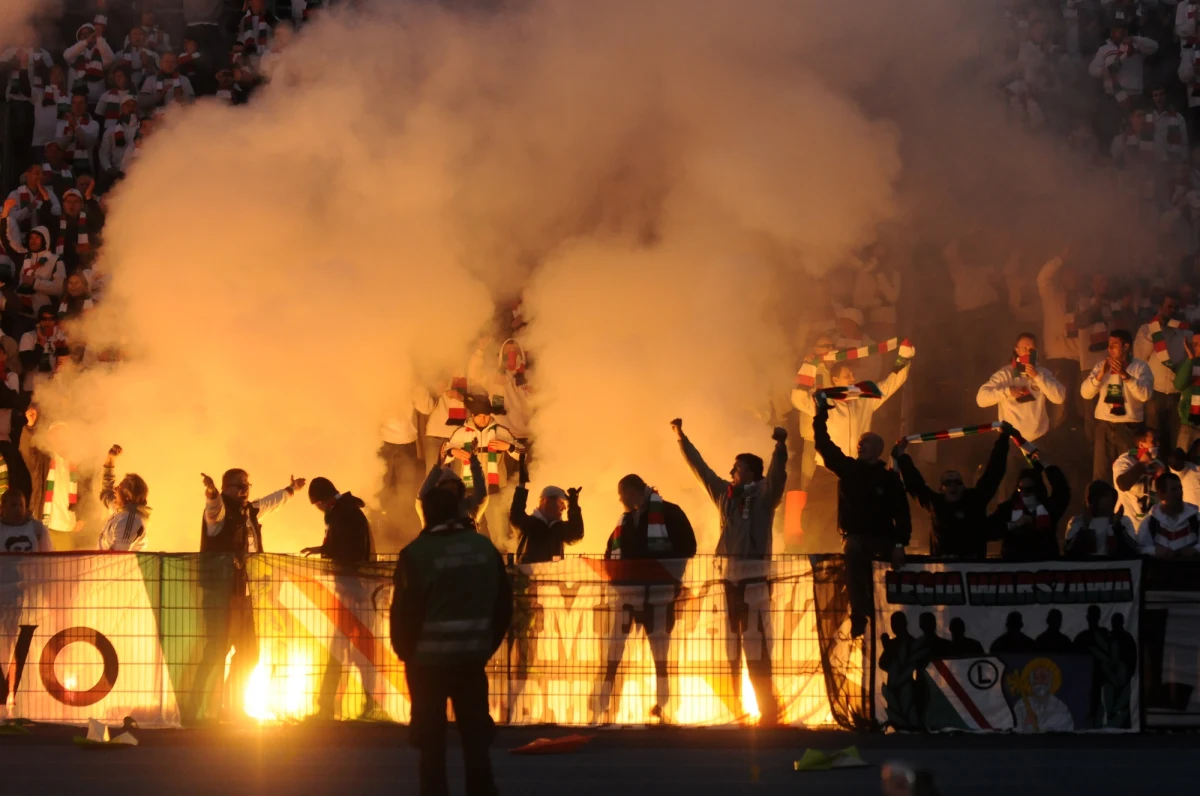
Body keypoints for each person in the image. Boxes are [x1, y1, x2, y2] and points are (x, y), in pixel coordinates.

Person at [391, 488, 512, 796]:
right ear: (459, 510)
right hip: (472, 662)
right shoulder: (484, 549)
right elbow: (503, 606)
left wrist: (407, 653)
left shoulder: (416, 554)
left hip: (426, 666)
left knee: (431, 749)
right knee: (476, 745)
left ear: (427, 513)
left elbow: (404, 613)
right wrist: (485, 645)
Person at [673, 417, 786, 724]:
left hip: (755, 580)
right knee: (730, 646)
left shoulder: (764, 495)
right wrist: (682, 439)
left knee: (757, 647)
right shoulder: (725, 495)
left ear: (749, 471)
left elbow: (777, 478)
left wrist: (780, 447)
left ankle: (768, 710)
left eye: (736, 468)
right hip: (728, 580)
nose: (730, 472)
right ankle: (736, 708)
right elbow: (702, 470)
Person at [195, 468, 306, 720]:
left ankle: (232, 708)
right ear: (225, 488)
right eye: (239, 486)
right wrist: (211, 493)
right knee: (217, 650)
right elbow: (213, 510)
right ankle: (201, 707)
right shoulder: (220, 512)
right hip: (221, 593)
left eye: (247, 485)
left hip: (245, 594)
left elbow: (271, 501)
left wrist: (291, 490)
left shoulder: (250, 510)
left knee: (249, 653)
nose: (245, 490)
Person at [594, 474, 696, 723]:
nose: (620, 499)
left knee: (660, 656)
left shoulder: (669, 513)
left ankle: (664, 706)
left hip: (658, 596)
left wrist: (665, 573)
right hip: (628, 596)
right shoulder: (626, 521)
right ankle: (605, 705)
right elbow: (610, 552)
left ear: (632, 492)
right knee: (614, 653)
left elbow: (688, 547)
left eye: (622, 494)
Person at [794, 352, 913, 552]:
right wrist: (810, 366)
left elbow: (891, 383)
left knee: (857, 523)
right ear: (835, 379)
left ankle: (851, 559)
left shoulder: (865, 399)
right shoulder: (824, 401)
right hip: (827, 471)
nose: (853, 379)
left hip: (857, 473)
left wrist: (904, 357)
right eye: (848, 375)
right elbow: (798, 398)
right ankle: (812, 560)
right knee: (814, 523)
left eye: (853, 375)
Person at [812, 398, 910, 638]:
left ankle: (897, 616)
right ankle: (859, 616)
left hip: (883, 539)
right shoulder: (848, 468)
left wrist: (900, 544)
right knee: (854, 558)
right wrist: (820, 416)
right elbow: (823, 444)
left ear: (878, 449)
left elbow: (902, 513)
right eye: (858, 443)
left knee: (889, 572)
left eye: (865, 443)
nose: (860, 446)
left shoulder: (889, 479)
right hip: (854, 538)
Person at [302, 477, 379, 720]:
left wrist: (325, 551)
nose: (318, 509)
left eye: (317, 504)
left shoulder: (345, 514)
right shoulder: (348, 511)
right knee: (356, 652)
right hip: (358, 591)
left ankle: (327, 707)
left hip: (352, 591)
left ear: (323, 500)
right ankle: (366, 705)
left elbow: (350, 551)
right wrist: (323, 550)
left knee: (342, 651)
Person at [892, 424, 1011, 558]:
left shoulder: (975, 500)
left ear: (964, 486)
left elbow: (994, 473)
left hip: (973, 568)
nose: (953, 486)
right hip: (945, 571)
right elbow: (915, 484)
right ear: (941, 489)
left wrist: (1003, 439)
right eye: (947, 483)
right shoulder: (935, 503)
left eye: (957, 482)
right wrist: (902, 456)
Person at [443, 394, 521, 551]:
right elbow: (442, 457)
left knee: (500, 534)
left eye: (486, 415)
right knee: (465, 531)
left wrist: (509, 447)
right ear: (473, 415)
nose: (484, 419)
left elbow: (523, 453)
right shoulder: (461, 433)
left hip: (494, 489)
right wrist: (453, 452)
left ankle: (502, 565)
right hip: (468, 490)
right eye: (480, 416)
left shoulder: (500, 431)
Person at [1080, 330, 1154, 480]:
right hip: (1104, 426)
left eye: (1114, 345)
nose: (1110, 349)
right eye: (1109, 345)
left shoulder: (1140, 367)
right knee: (1101, 475)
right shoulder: (1102, 366)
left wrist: (1125, 376)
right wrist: (1100, 375)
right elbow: (1085, 393)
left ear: (1126, 347)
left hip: (1129, 428)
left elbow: (1145, 395)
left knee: (1128, 473)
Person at [976, 333, 1067, 447]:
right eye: (1024, 348)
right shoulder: (1005, 375)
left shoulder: (1043, 373)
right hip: (1011, 441)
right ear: (1017, 350)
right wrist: (1007, 392)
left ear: (1036, 352)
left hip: (1039, 439)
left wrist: (1037, 377)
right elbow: (981, 400)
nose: (1028, 352)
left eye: (1031, 349)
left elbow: (1059, 398)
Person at [508, 453, 583, 564]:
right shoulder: (529, 524)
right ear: (545, 501)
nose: (564, 507)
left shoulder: (559, 527)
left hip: (552, 578)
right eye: (561, 502)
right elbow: (516, 514)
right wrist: (522, 484)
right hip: (528, 577)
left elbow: (576, 534)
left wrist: (574, 505)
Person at [1135, 295, 1189, 445]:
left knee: (1176, 437)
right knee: (1153, 437)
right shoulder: (1146, 329)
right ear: (1159, 308)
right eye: (1168, 306)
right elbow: (1140, 356)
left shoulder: (1185, 332)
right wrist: (1155, 332)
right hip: (1155, 391)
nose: (1172, 311)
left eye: (1175, 307)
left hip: (1176, 392)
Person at [989, 463, 1071, 561]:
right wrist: (1014, 525)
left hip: (1045, 566)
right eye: (1020, 489)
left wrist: (1047, 465)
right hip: (1015, 568)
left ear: (1037, 489)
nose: (1023, 493)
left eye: (1028, 490)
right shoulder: (1008, 509)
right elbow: (989, 531)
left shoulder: (1048, 508)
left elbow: (1062, 491)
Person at [1064, 481, 1139, 558]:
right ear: (1092, 500)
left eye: (1112, 496)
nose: (1110, 500)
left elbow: (1132, 551)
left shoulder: (1123, 521)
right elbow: (1070, 552)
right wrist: (1085, 528)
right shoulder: (1077, 522)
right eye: (1105, 496)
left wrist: (1117, 527)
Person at [97, 444, 150, 552]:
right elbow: (106, 491)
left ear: (128, 497)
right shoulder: (121, 511)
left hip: (114, 569)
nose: (115, 488)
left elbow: (117, 555)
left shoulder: (129, 519)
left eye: (120, 487)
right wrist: (110, 460)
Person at [1135, 471, 1200, 556]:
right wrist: (1154, 551)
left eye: (1180, 488)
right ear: (1161, 494)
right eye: (1174, 489)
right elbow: (1141, 548)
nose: (1179, 493)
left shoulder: (1195, 518)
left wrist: (1195, 550)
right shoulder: (1150, 522)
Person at [1113, 427, 1164, 527]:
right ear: (1141, 445)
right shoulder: (1124, 461)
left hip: (1149, 522)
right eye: (1154, 441)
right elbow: (1123, 485)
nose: (1158, 444)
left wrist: (1161, 478)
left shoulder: (1158, 464)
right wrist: (1142, 464)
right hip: (1127, 521)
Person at [18, 306, 68, 392]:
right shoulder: (28, 337)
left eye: (51, 319)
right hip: (32, 389)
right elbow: (28, 365)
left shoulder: (60, 338)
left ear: (55, 321)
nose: (47, 322)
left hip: (54, 389)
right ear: (39, 321)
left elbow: (66, 366)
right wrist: (40, 344)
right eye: (43, 319)